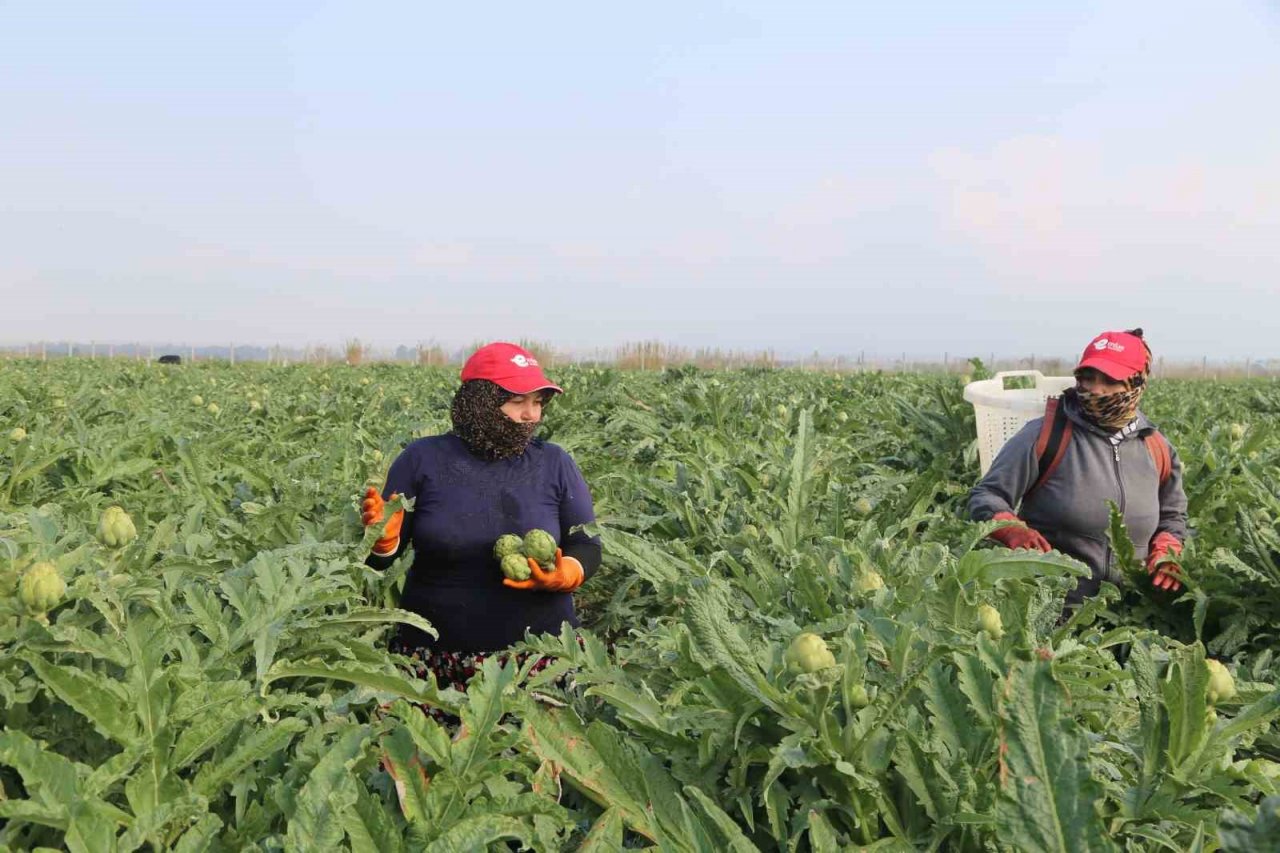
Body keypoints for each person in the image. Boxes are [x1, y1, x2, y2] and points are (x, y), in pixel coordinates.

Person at [359, 342, 602, 696]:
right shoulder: (421, 460)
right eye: (518, 401)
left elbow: (586, 543)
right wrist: (383, 543)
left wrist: (567, 574)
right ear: (479, 402)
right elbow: (379, 566)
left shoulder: (554, 463)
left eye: (538, 402)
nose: (531, 414)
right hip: (434, 662)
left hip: (541, 662)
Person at [968, 329, 1189, 607]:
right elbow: (986, 496)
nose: (1096, 390)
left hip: (1136, 613)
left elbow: (1173, 516)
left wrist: (1167, 550)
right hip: (1052, 608)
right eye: (1087, 378)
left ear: (1137, 383)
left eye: (1109, 380)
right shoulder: (1047, 435)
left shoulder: (1157, 449)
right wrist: (1010, 528)